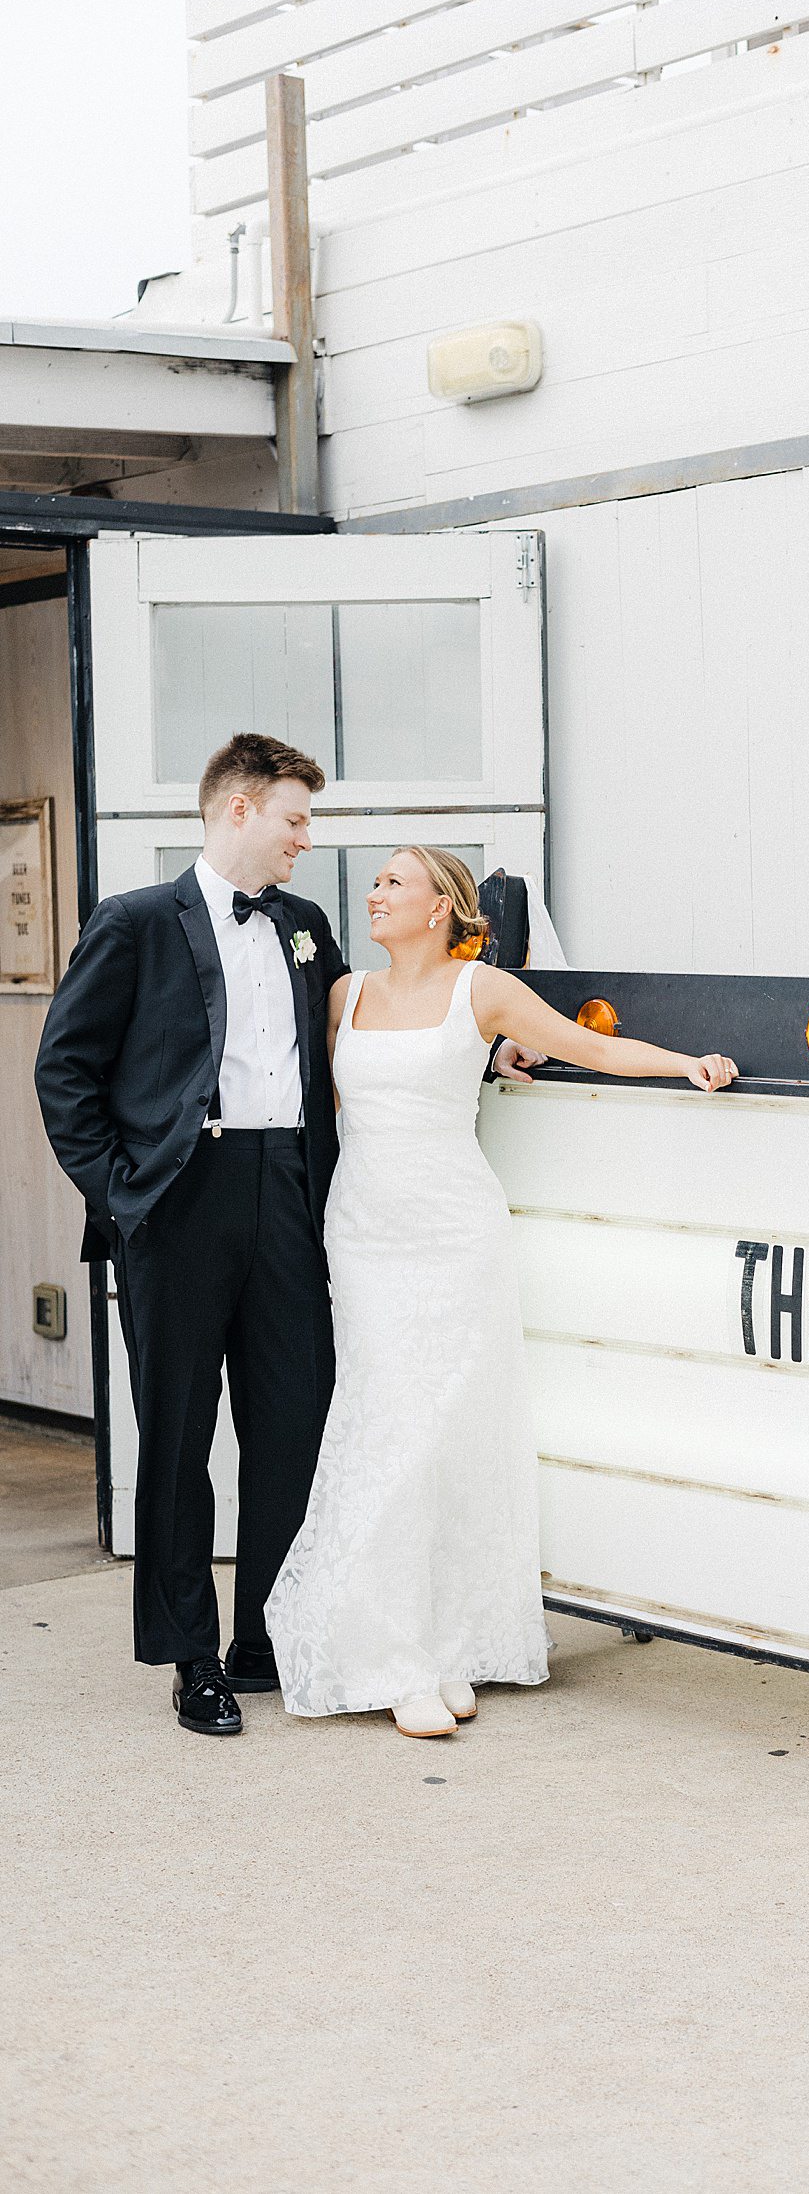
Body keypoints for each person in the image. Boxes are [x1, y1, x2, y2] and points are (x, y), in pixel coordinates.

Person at [264, 846, 738, 1738]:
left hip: (457, 1230)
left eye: (393, 883)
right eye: (375, 883)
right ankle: (390, 1655)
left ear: (441, 906)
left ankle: (445, 1646)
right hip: (366, 1232)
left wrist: (684, 1064)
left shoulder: (481, 990)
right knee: (388, 1424)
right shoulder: (344, 995)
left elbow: (586, 1044)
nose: (374, 894)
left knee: (451, 1432)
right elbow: (329, 1110)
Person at [33, 734, 347, 1736]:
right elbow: (65, 1074)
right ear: (241, 809)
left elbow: (359, 1032)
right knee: (174, 1438)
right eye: (295, 817)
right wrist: (123, 1197)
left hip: (289, 1192)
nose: (307, 838)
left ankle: (269, 1637)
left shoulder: (306, 925)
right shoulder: (134, 923)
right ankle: (193, 1659)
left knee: (293, 1424)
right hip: (176, 1202)